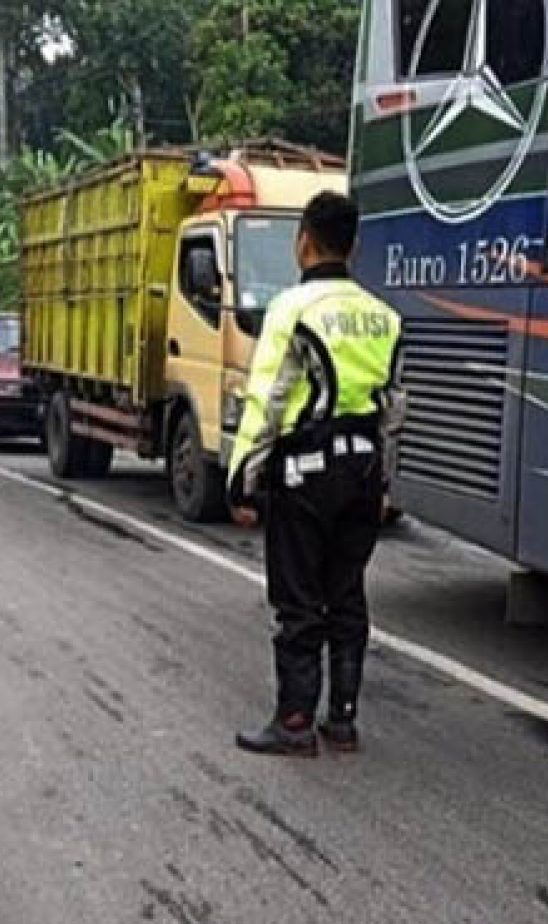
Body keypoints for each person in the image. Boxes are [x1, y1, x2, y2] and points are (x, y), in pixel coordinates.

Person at [228, 191, 402, 757]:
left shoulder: (293, 309)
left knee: (299, 599)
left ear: (304, 239)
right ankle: (342, 721)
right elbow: (395, 409)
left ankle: (295, 722)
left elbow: (268, 400)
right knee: (346, 594)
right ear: (353, 246)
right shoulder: (385, 317)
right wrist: (384, 484)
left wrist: (242, 479)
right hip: (364, 472)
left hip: (307, 474)